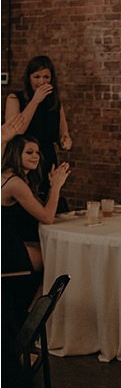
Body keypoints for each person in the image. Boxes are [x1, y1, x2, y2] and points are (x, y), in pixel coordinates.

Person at [4, 56, 72, 200]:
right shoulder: (15, 98)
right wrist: (35, 100)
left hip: (47, 158)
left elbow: (63, 134)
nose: (42, 81)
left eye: (46, 77)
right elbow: (17, 130)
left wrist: (66, 141)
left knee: (47, 200)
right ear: (29, 78)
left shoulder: (55, 102)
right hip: (22, 159)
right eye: (37, 76)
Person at [1, 135, 70, 274]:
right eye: (29, 152)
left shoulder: (15, 177)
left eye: (37, 152)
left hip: (11, 243)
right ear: (16, 154)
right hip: (6, 251)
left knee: (57, 251)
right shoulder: (15, 183)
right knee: (61, 260)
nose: (35, 156)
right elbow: (47, 218)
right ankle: (40, 296)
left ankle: (41, 295)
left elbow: (43, 208)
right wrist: (56, 186)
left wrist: (52, 186)